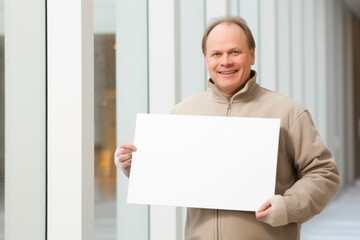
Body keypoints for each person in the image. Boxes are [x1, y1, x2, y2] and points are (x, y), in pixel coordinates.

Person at [114, 16, 340, 240]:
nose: (225, 61)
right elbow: (169, 175)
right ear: (206, 59)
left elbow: (324, 174)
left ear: (252, 55)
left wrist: (288, 206)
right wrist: (135, 166)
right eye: (216, 54)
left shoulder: (288, 113)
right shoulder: (183, 113)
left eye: (234, 52)